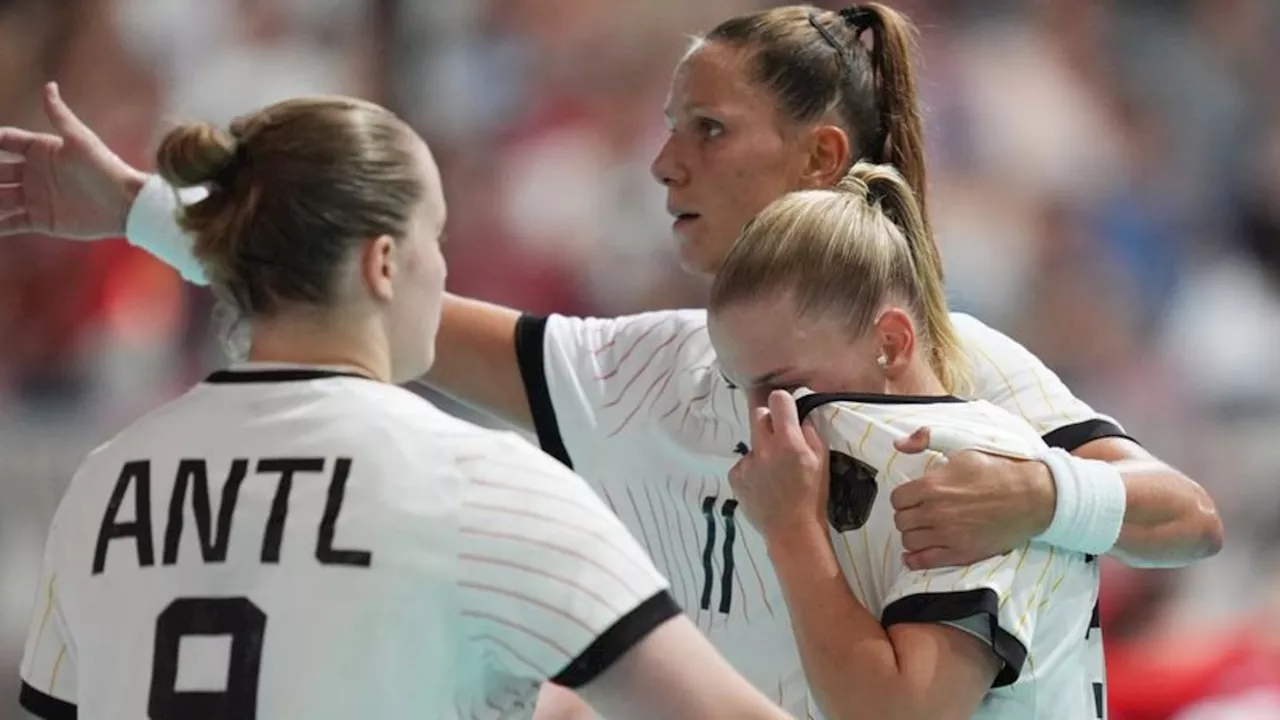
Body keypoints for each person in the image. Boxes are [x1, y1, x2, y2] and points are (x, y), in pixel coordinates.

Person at [0, 3, 1222, 716]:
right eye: (662, 127)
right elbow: (352, 298)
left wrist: (1048, 493)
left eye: (706, 129)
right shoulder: (635, 365)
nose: (662, 163)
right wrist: (142, 214)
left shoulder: (958, 373)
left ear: (816, 157)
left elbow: (1186, 519)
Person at [14, 96, 793, 720]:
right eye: (437, 237)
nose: (445, 266)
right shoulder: (481, 482)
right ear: (384, 262)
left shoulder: (107, 480)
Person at [711, 161, 1105, 719]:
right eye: (741, 389)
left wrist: (789, 530)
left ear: (891, 344)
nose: (763, 423)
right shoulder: (843, 462)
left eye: (785, 387)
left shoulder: (962, 467)